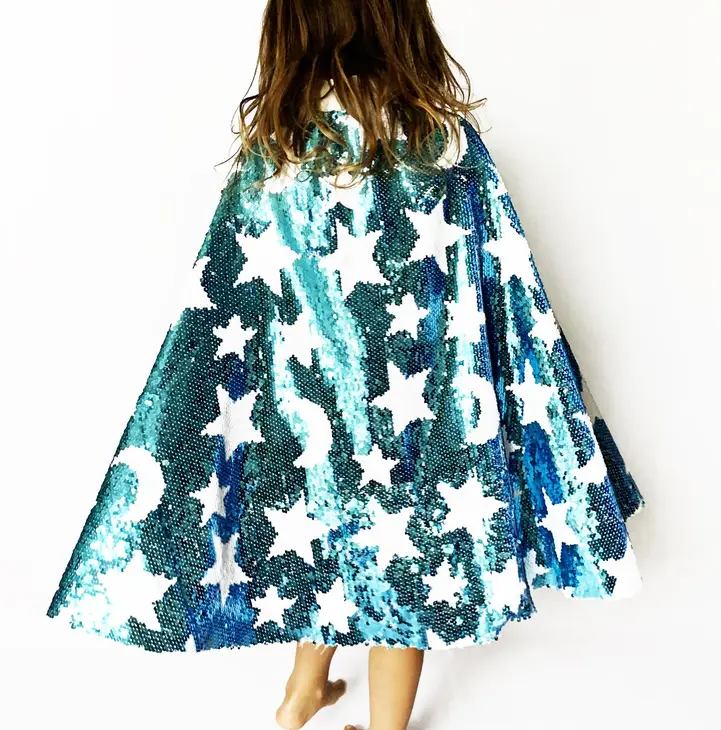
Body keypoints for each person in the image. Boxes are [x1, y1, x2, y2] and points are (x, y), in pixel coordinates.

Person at [47, 1, 645, 729]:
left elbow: (235, 292)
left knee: (320, 534)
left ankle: (303, 693)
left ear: (290, 29)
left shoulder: (279, 146)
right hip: (421, 406)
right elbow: (497, 276)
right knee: (406, 559)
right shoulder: (438, 141)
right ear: (402, 23)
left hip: (306, 407)